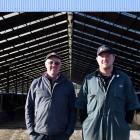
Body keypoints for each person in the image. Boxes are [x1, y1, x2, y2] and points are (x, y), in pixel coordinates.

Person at [75, 45, 140, 140]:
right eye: (102, 56)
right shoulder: (89, 79)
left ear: (114, 58)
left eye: (108, 56)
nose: (105, 58)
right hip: (93, 132)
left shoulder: (123, 79)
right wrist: (86, 123)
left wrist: (127, 124)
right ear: (97, 59)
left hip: (117, 132)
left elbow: (132, 104)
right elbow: (81, 104)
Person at [25, 52, 76, 140]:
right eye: (50, 62)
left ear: (60, 65)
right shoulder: (36, 83)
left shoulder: (68, 85)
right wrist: (31, 131)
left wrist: (68, 132)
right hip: (39, 134)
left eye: (57, 63)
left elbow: (73, 110)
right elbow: (29, 107)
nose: (53, 65)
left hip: (60, 134)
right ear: (45, 64)